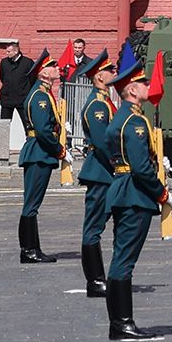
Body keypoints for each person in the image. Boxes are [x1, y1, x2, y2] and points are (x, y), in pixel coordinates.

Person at [104, 48, 167, 341]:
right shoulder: (136, 122)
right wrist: (161, 192)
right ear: (131, 90)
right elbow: (142, 168)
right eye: (143, 83)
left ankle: (119, 322)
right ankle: (122, 322)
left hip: (120, 188)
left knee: (121, 256)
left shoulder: (120, 119)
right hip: (134, 193)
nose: (147, 87)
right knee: (124, 260)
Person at [74, 51, 118, 295]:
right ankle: (95, 280)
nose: (114, 73)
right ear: (100, 76)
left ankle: (106, 277)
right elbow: (103, 143)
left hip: (107, 171)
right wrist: (119, 165)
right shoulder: (97, 105)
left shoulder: (105, 102)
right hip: (101, 171)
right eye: (110, 70)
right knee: (93, 227)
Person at [16, 51, 63, 264]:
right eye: (53, 65)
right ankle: (28, 250)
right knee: (31, 204)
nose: (57, 68)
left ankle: (32, 248)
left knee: (32, 203)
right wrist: (58, 149)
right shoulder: (40, 96)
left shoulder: (42, 93)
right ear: (44, 73)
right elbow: (43, 130)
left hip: (39, 151)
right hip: (39, 152)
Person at [0, 42, 34, 125]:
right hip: (7, 98)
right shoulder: (4, 62)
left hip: (22, 98)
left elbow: (32, 79)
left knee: (27, 124)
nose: (7, 54)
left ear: (16, 51)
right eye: (6, 51)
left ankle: (29, 138)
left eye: (9, 52)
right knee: (4, 126)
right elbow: (2, 77)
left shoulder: (27, 62)